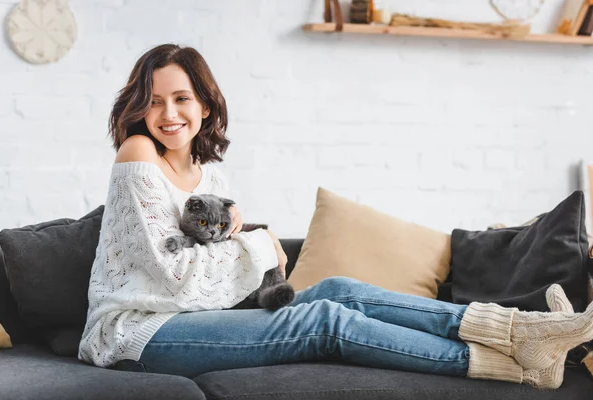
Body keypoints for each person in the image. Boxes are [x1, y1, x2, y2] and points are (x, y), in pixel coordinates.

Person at [78, 44, 593, 390]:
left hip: (192, 318)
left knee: (339, 289)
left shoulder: (208, 173)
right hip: (137, 332)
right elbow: (178, 278)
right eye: (154, 102)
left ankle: (517, 331)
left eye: (181, 98)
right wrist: (261, 246)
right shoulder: (138, 154)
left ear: (206, 106)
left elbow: (221, 276)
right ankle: (514, 366)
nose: (168, 114)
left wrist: (247, 251)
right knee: (322, 320)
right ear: (139, 109)